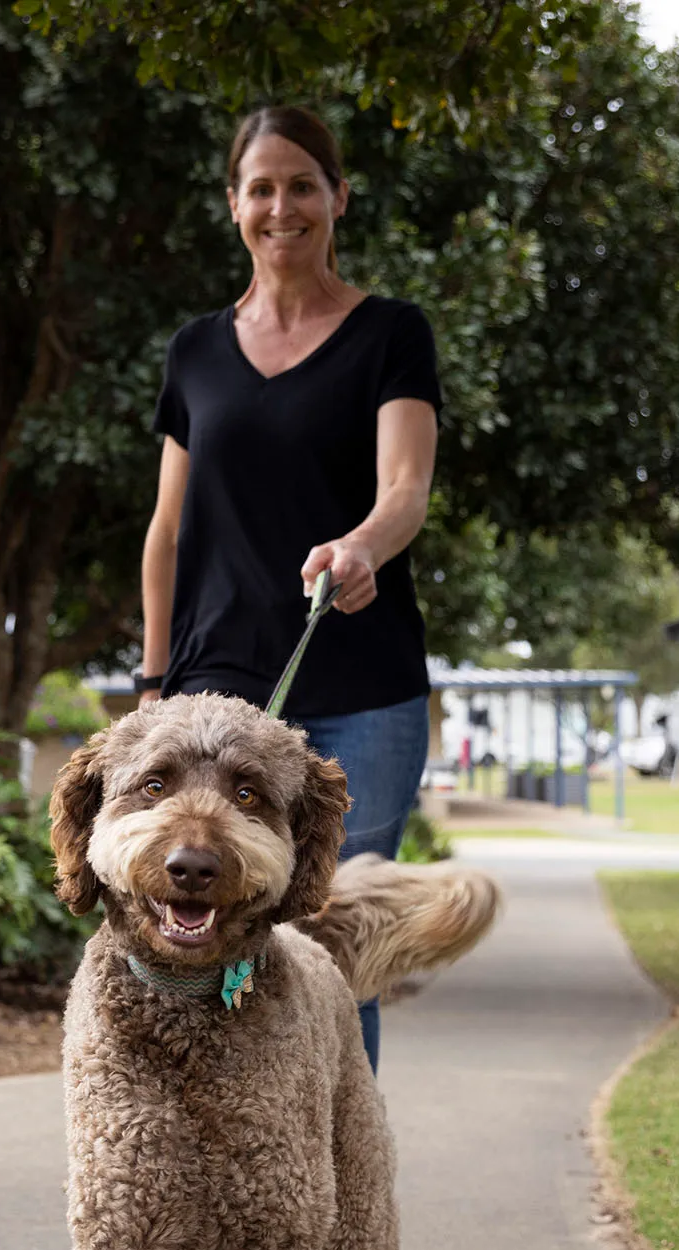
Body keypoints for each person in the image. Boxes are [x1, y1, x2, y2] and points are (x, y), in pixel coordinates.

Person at [140, 104, 441, 1073]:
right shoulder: (195, 351)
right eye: (261, 188)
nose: (283, 207)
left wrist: (360, 547)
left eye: (302, 185)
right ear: (234, 206)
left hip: (362, 691)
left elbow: (407, 490)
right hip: (211, 694)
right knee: (202, 921)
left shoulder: (391, 334)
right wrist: (153, 685)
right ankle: (218, 1158)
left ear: (339, 199)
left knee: (328, 939)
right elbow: (169, 529)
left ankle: (334, 1166)